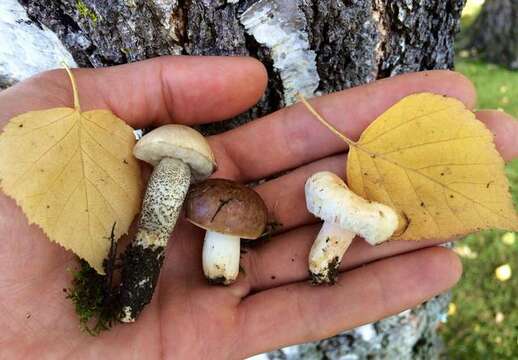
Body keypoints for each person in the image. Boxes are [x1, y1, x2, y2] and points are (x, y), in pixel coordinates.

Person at [0, 56, 516, 359]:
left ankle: (128, 302)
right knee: (154, 224)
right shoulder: (169, 168)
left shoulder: (191, 178)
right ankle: (129, 300)